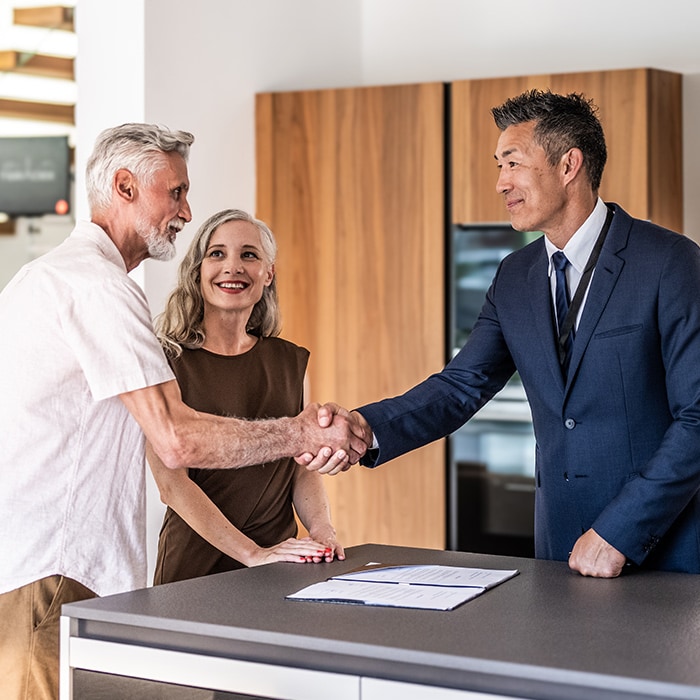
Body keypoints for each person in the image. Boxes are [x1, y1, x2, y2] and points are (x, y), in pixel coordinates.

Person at [0, 123, 365, 700]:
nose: (185, 210)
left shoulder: (53, 279)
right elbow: (175, 442)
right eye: (175, 192)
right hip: (54, 576)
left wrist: (317, 524)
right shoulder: (96, 288)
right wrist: (300, 430)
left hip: (48, 571)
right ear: (124, 186)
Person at [314, 89, 700, 579]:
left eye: (513, 164)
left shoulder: (670, 262)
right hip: (558, 549)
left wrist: (620, 531)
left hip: (663, 551)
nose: (500, 183)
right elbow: (461, 386)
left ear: (568, 166)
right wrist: (365, 429)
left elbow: (697, 417)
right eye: (498, 166)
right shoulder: (515, 276)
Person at [149, 209, 344, 584]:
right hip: (195, 568)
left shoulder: (291, 360)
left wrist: (322, 532)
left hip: (281, 565)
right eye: (217, 254)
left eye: (249, 255)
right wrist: (253, 554)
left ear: (268, 273)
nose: (232, 267)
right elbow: (171, 485)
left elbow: (300, 468)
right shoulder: (166, 361)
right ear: (198, 270)